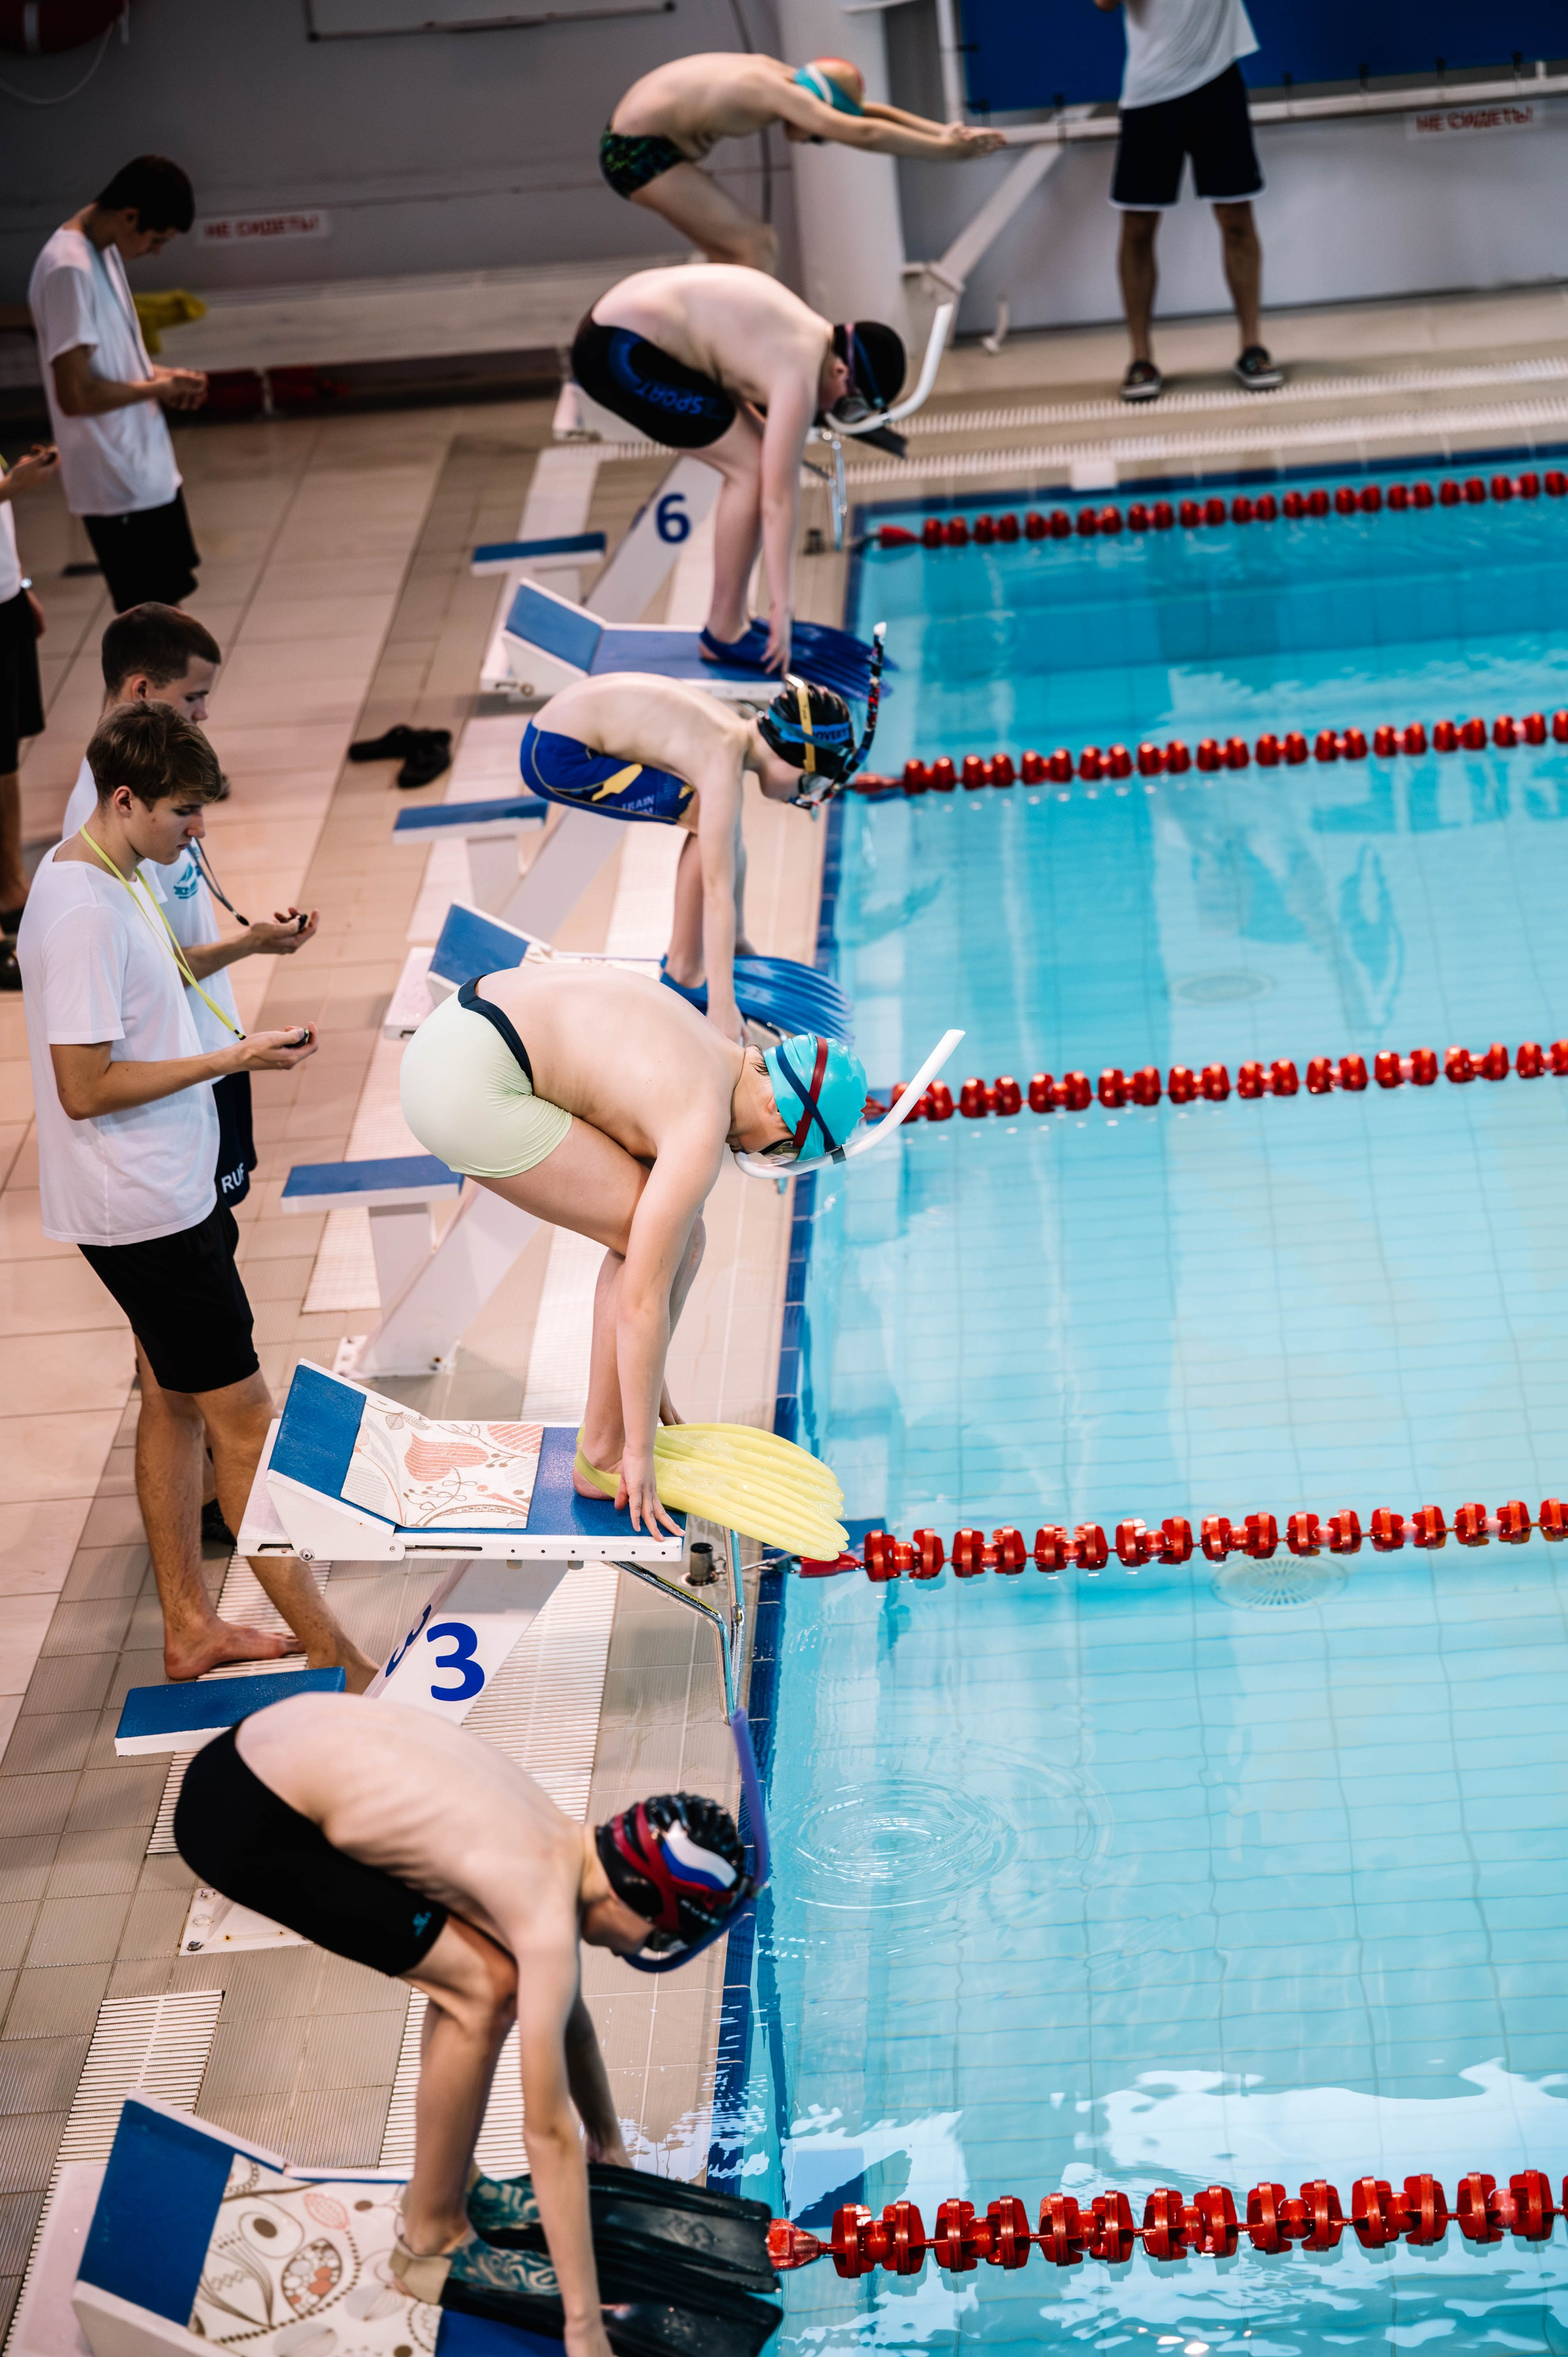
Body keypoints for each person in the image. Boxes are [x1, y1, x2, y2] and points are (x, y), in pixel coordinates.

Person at [173, 1693, 762, 2356]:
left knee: (481, 1975)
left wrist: (610, 2143)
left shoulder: (561, 1843)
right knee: (487, 1990)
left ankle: (456, 2185)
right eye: (660, 1936)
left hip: (256, 1751)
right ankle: (431, 2237)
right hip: (248, 1821)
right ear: (644, 1900)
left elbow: (568, 2014)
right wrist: (583, 2326)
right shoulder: (540, 1904)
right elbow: (545, 2133)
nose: (648, 1948)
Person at [16, 704, 375, 1687]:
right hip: (145, 1213)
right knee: (246, 1426)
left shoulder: (97, 864)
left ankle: (191, 1627)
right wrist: (234, 1056)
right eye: (183, 814)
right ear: (124, 799)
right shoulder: (86, 911)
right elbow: (84, 1088)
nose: (198, 832)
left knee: (171, 1400)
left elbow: (159, 981)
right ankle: (346, 1666)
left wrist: (251, 947)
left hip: (157, 1194)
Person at [399, 957, 866, 1537]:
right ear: (778, 1112)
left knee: (665, 1236)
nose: (766, 1153)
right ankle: (604, 1456)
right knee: (662, 1239)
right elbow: (642, 1300)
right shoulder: (699, 1123)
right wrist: (641, 1453)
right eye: (782, 1148)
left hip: (460, 1026)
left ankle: (614, 1426)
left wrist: (643, 1378)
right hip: (462, 1086)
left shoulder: (714, 1048)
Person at [60, 603, 320, 1212]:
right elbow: (152, 969)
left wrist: (253, 941)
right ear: (143, 691)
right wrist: (246, 959)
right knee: (209, 1260)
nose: (204, 712)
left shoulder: (153, 786)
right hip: (184, 1068)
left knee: (220, 1245)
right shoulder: (108, 827)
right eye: (195, 696)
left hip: (212, 1045)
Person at [572, 266, 903, 674]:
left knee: (758, 453)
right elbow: (778, 502)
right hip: (617, 351)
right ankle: (723, 630)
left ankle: (732, 621)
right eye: (847, 405)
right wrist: (783, 607)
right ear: (841, 372)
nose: (832, 412)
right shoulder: (799, 372)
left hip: (617, 324)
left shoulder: (805, 333)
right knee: (750, 471)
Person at [519, 670, 858, 1042]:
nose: (803, 795)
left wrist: (738, 938)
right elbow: (717, 894)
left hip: (557, 730)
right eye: (811, 782)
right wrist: (723, 1005)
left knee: (714, 822)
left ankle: (688, 963)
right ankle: (684, 970)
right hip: (557, 754)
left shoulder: (730, 732)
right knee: (706, 816)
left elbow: (729, 845)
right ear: (795, 756)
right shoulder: (721, 762)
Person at [602, 51, 1002, 272]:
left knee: (729, 260)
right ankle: (743, 353)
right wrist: (947, 153)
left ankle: (707, 353)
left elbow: (862, 115)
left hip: (639, 145)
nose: (815, 140)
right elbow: (863, 132)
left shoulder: (788, 79)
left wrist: (942, 131)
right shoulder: (771, 90)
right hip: (635, 154)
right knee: (755, 244)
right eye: (819, 135)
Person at [28, 155, 208, 611]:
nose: (156, 251)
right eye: (157, 238)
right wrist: (158, 390)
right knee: (153, 630)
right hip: (117, 480)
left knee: (171, 616)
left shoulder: (101, 251)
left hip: (145, 469)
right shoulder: (69, 269)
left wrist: (168, 377)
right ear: (130, 215)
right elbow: (76, 395)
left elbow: (111, 364)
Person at [1094, 0, 1282, 402]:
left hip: (1218, 81)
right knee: (1139, 226)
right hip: (1151, 91)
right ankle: (1141, 358)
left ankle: (1252, 347)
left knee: (1236, 216)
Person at [0, 443, 59, 943]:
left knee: (8, 751)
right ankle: (9, 887)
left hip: (5, 598)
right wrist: (9, 487)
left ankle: (10, 880)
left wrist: (19, 584)